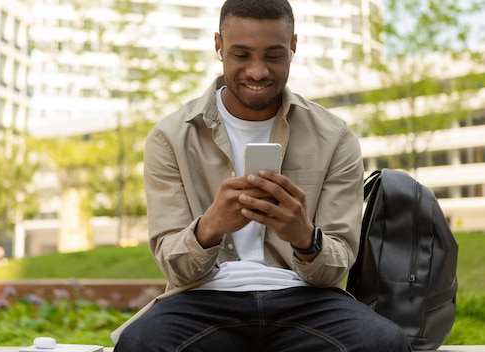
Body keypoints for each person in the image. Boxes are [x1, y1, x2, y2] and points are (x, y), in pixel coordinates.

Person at [112, 0, 412, 351]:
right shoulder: (171, 137)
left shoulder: (335, 137)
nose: (257, 71)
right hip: (204, 299)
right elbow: (176, 268)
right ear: (218, 47)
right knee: (141, 344)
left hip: (306, 299)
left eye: (273, 55)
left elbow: (337, 265)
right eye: (241, 55)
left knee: (384, 344)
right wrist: (210, 227)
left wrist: (305, 237)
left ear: (293, 47)